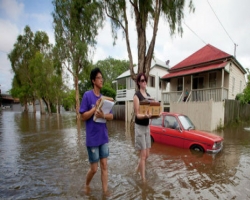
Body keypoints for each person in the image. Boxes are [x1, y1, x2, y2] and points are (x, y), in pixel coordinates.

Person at [79, 67, 113, 196]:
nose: (101, 80)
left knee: (104, 165)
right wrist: (95, 109)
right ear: (93, 80)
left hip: (103, 136)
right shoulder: (87, 96)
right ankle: (86, 184)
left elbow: (111, 116)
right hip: (92, 138)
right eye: (99, 78)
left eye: (101, 78)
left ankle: (105, 192)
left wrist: (103, 115)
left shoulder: (105, 99)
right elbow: (83, 117)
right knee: (94, 169)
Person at [133, 73, 152, 182]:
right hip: (139, 127)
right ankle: (143, 179)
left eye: (145, 80)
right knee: (143, 155)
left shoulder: (148, 96)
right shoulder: (137, 96)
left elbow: (150, 111)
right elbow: (137, 114)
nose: (144, 82)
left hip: (147, 127)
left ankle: (137, 169)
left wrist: (154, 114)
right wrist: (144, 115)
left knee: (147, 155)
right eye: (142, 80)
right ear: (139, 82)